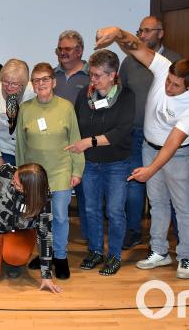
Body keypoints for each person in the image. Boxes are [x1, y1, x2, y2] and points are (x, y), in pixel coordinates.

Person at [95, 26, 189, 280]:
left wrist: (150, 170)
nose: (168, 86)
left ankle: (186, 255)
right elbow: (136, 47)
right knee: (157, 203)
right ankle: (159, 251)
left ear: (188, 87)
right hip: (148, 146)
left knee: (183, 206)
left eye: (176, 86)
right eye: (168, 80)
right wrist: (118, 33)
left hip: (176, 156)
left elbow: (172, 144)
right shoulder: (165, 66)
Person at [118, 16, 184, 250]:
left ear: (161, 32)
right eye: (140, 31)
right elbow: (122, 96)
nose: (143, 35)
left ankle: (178, 236)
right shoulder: (128, 63)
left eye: (147, 31)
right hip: (136, 134)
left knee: (173, 189)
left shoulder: (175, 61)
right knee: (135, 185)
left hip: (169, 137)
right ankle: (134, 231)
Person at [67, 49, 135, 276]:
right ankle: (95, 251)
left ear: (112, 75)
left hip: (116, 164)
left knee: (115, 211)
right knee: (91, 209)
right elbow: (76, 125)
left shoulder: (126, 96)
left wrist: (90, 142)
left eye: (97, 75)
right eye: (91, 75)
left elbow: (122, 131)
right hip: (90, 164)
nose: (92, 80)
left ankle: (114, 255)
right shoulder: (83, 97)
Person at [16, 63, 84, 279]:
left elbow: (75, 139)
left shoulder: (66, 107)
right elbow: (20, 144)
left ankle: (60, 257)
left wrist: (77, 170)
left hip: (61, 170)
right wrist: (19, 172)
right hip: (35, 176)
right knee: (38, 217)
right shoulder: (26, 109)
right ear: (32, 85)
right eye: (36, 80)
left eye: (45, 79)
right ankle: (45, 254)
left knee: (61, 218)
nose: (41, 84)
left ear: (54, 82)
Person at [0, 163, 60, 293]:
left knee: (15, 257)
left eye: (16, 183)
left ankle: (11, 260)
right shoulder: (5, 172)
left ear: (29, 189)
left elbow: (45, 235)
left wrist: (46, 276)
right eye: (13, 178)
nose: (12, 183)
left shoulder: (43, 197)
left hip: (20, 231)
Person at [52, 30, 91, 245]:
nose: (62, 53)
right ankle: (55, 240)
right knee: (57, 197)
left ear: (80, 51)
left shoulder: (90, 75)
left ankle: (88, 238)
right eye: (60, 49)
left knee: (85, 195)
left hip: (84, 143)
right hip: (56, 147)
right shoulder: (52, 75)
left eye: (67, 49)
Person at [0, 59, 35, 168]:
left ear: (24, 83)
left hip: (28, 149)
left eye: (14, 84)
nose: (9, 87)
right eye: (5, 81)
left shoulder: (33, 92)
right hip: (3, 149)